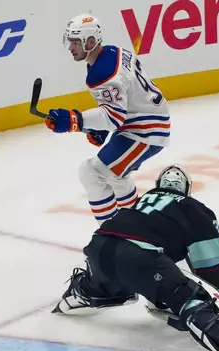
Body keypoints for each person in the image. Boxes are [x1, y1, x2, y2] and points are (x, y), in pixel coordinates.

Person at [52, 165, 219, 351]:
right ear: (187, 189)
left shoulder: (143, 202)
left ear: (158, 185)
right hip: (138, 258)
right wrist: (209, 297)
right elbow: (212, 269)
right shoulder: (194, 208)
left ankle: (77, 293)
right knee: (187, 296)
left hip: (98, 247)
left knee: (103, 285)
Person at [44, 14, 170, 224]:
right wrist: (100, 127)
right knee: (114, 175)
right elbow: (122, 102)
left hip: (145, 130)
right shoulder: (113, 52)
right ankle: (134, 230)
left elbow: (113, 118)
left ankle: (111, 233)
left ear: (91, 42)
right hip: (145, 121)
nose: (70, 47)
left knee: (91, 172)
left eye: (75, 41)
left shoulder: (102, 72)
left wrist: (74, 120)